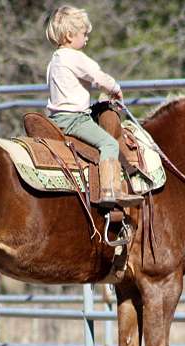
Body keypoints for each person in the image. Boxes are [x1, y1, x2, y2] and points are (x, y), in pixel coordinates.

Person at [45, 5, 142, 208]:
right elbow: (98, 77)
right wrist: (115, 88)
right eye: (84, 33)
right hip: (75, 119)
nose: (87, 38)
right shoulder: (75, 57)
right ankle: (110, 191)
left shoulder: (55, 59)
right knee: (110, 144)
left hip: (55, 119)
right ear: (71, 35)